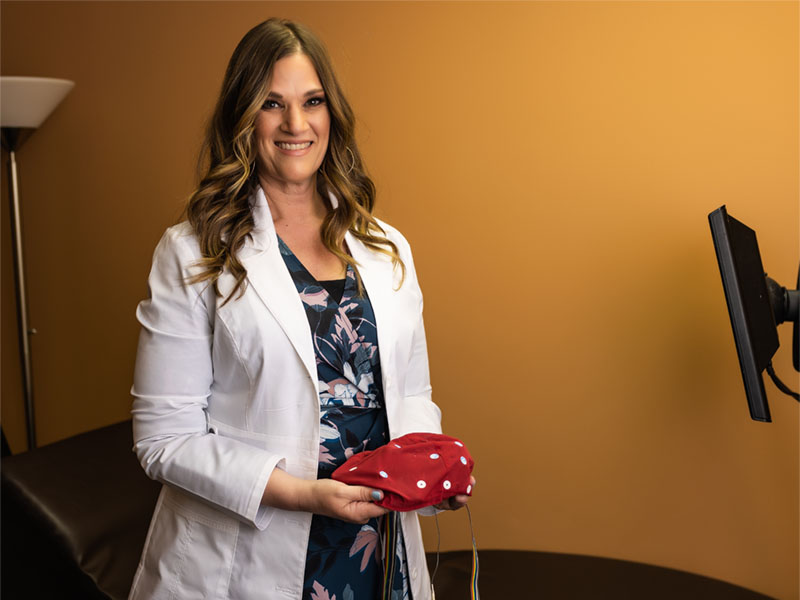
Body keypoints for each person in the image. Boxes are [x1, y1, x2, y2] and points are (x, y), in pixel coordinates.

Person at [129, 18, 473, 600]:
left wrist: (427, 473)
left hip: (376, 546)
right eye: (272, 104)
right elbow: (164, 439)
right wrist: (299, 493)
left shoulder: (385, 247)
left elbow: (410, 395)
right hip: (252, 554)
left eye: (312, 101)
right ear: (244, 119)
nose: (296, 124)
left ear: (330, 113)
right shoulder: (192, 252)